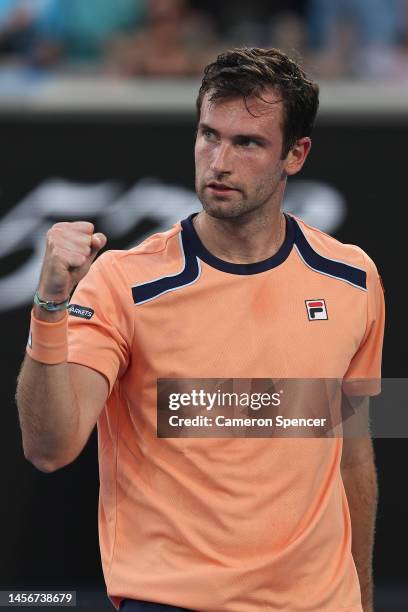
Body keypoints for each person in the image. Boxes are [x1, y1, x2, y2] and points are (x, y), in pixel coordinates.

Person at [16, 47, 384, 611]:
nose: (219, 161)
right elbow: (50, 447)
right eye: (209, 135)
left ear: (296, 154)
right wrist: (49, 307)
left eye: (248, 143)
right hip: (170, 601)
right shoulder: (123, 282)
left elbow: (351, 451)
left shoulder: (353, 278)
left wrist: (362, 597)